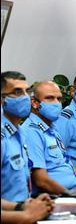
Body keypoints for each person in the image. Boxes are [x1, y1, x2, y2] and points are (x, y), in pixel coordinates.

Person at [22, 81, 76, 195]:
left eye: (59, 99)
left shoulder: (52, 128)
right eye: (50, 98)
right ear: (34, 103)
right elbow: (42, 181)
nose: (57, 103)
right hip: (59, 197)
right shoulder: (31, 131)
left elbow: (68, 165)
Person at [1, 71, 32, 202]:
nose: (25, 97)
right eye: (17, 92)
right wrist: (23, 210)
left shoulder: (19, 132)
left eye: (27, 92)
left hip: (25, 208)